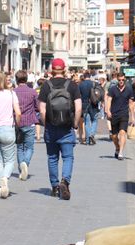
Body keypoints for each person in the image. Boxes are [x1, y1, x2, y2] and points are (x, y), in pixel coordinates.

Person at [38, 58, 82, 200]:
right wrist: (75, 123)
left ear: (51, 70)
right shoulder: (72, 85)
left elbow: (42, 110)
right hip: (67, 127)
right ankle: (65, 181)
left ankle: (55, 186)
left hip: (51, 127)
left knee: (52, 158)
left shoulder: (46, 86)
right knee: (68, 157)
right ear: (64, 69)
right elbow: (79, 107)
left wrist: (46, 124)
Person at [13, 69, 39, 181]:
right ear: (26, 79)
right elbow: (37, 106)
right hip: (30, 122)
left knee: (19, 147)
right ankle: (25, 163)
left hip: (17, 123)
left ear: (16, 79)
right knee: (29, 147)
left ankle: (21, 168)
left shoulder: (13, 92)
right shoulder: (32, 92)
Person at [105, 72, 135, 160]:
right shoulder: (113, 89)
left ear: (125, 79)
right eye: (119, 80)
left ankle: (121, 152)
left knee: (122, 132)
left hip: (124, 114)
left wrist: (132, 116)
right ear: (117, 79)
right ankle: (117, 147)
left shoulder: (129, 89)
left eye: (123, 80)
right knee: (114, 136)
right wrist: (108, 111)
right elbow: (109, 100)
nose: (121, 81)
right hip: (114, 114)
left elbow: (131, 103)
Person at [78, 72, 100, 145]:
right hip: (94, 104)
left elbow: (78, 96)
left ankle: (88, 140)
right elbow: (99, 94)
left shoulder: (80, 84)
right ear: (90, 76)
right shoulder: (94, 83)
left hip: (84, 105)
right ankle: (91, 134)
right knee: (94, 120)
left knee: (87, 122)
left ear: (84, 77)